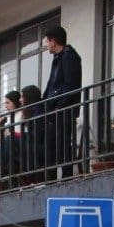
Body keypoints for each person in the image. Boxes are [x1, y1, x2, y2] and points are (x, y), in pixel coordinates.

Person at [41, 25, 82, 179]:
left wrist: (58, 105)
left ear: (53, 41)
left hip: (63, 109)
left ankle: (66, 177)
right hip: (54, 110)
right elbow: (52, 85)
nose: (46, 45)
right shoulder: (59, 57)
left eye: (47, 41)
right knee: (52, 146)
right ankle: (50, 180)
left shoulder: (69, 56)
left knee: (63, 144)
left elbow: (70, 85)